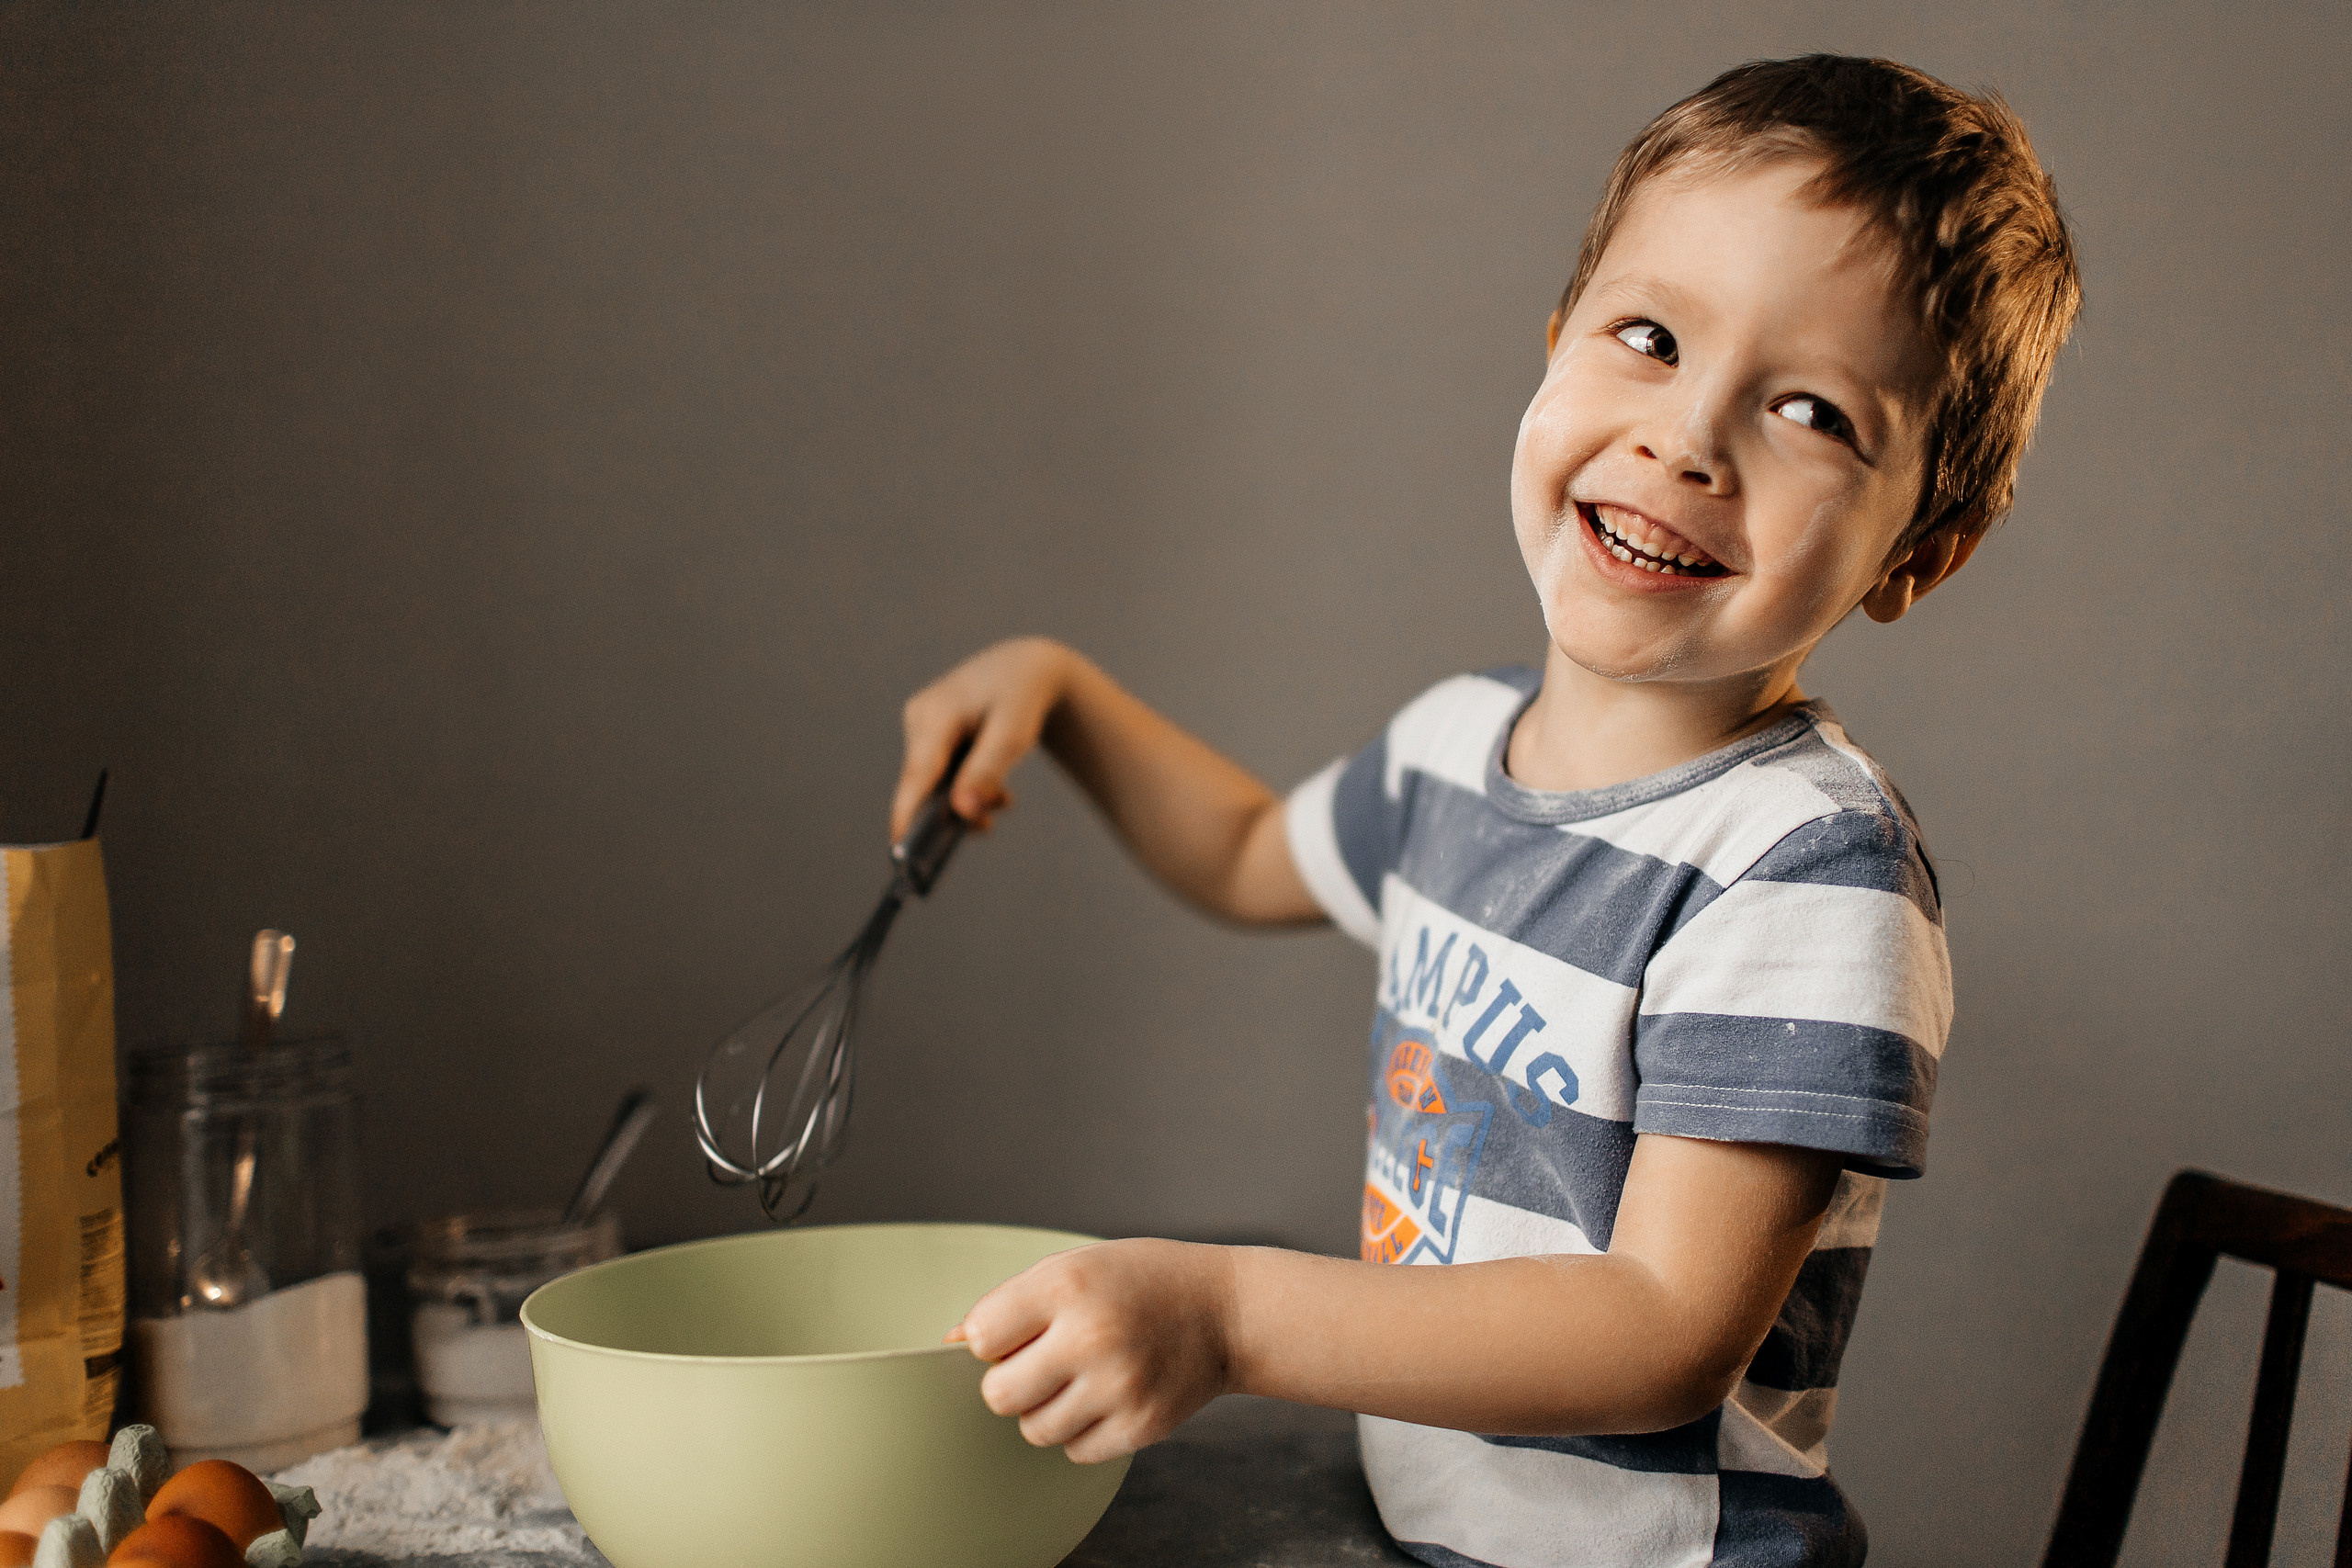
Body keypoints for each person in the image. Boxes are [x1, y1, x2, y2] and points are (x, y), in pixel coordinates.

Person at [901, 53, 2080, 1568]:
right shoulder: (1456, 749)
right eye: (1649, 338)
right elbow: (1246, 853)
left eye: (1810, 411)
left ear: (1923, 548)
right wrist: (1061, 691)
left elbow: (1661, 1331)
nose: (1687, 438)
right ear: (1554, 347)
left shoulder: (1805, 867)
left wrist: (1230, 1314)